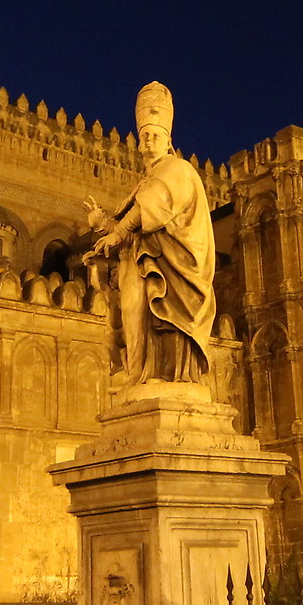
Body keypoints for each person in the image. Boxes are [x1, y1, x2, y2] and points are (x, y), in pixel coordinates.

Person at [82, 81, 216, 391]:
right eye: (144, 136)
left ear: (168, 140)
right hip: (142, 263)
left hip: (175, 269)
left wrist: (117, 234)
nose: (149, 140)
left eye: (155, 135)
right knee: (132, 318)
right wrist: (102, 224)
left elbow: (153, 206)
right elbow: (132, 218)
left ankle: (160, 376)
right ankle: (139, 377)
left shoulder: (178, 169)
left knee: (157, 318)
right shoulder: (146, 179)